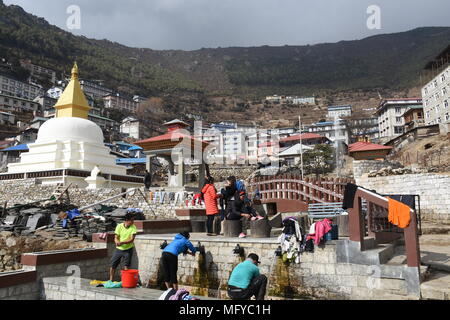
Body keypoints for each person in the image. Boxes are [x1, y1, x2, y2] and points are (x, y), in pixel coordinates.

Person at [109, 212, 137, 281]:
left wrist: (122, 242)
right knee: (113, 265)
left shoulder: (133, 227)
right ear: (127, 220)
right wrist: (117, 242)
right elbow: (116, 237)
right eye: (132, 220)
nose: (133, 222)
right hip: (119, 249)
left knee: (126, 266)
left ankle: (125, 281)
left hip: (128, 249)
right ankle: (111, 280)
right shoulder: (119, 226)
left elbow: (131, 239)